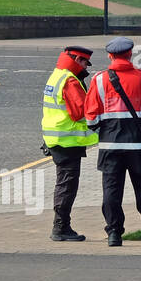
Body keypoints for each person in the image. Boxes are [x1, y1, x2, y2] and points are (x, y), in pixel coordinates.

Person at [84, 37, 141, 247]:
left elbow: (90, 117)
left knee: (111, 190)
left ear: (110, 55)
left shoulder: (98, 79)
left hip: (109, 146)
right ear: (130, 54)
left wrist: (104, 131)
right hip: (138, 147)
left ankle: (114, 233)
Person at [41, 45, 97, 241]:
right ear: (76, 60)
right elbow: (81, 112)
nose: (85, 67)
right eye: (83, 62)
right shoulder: (70, 81)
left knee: (63, 183)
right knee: (67, 185)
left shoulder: (57, 75)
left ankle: (61, 225)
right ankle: (60, 227)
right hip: (68, 142)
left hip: (55, 140)